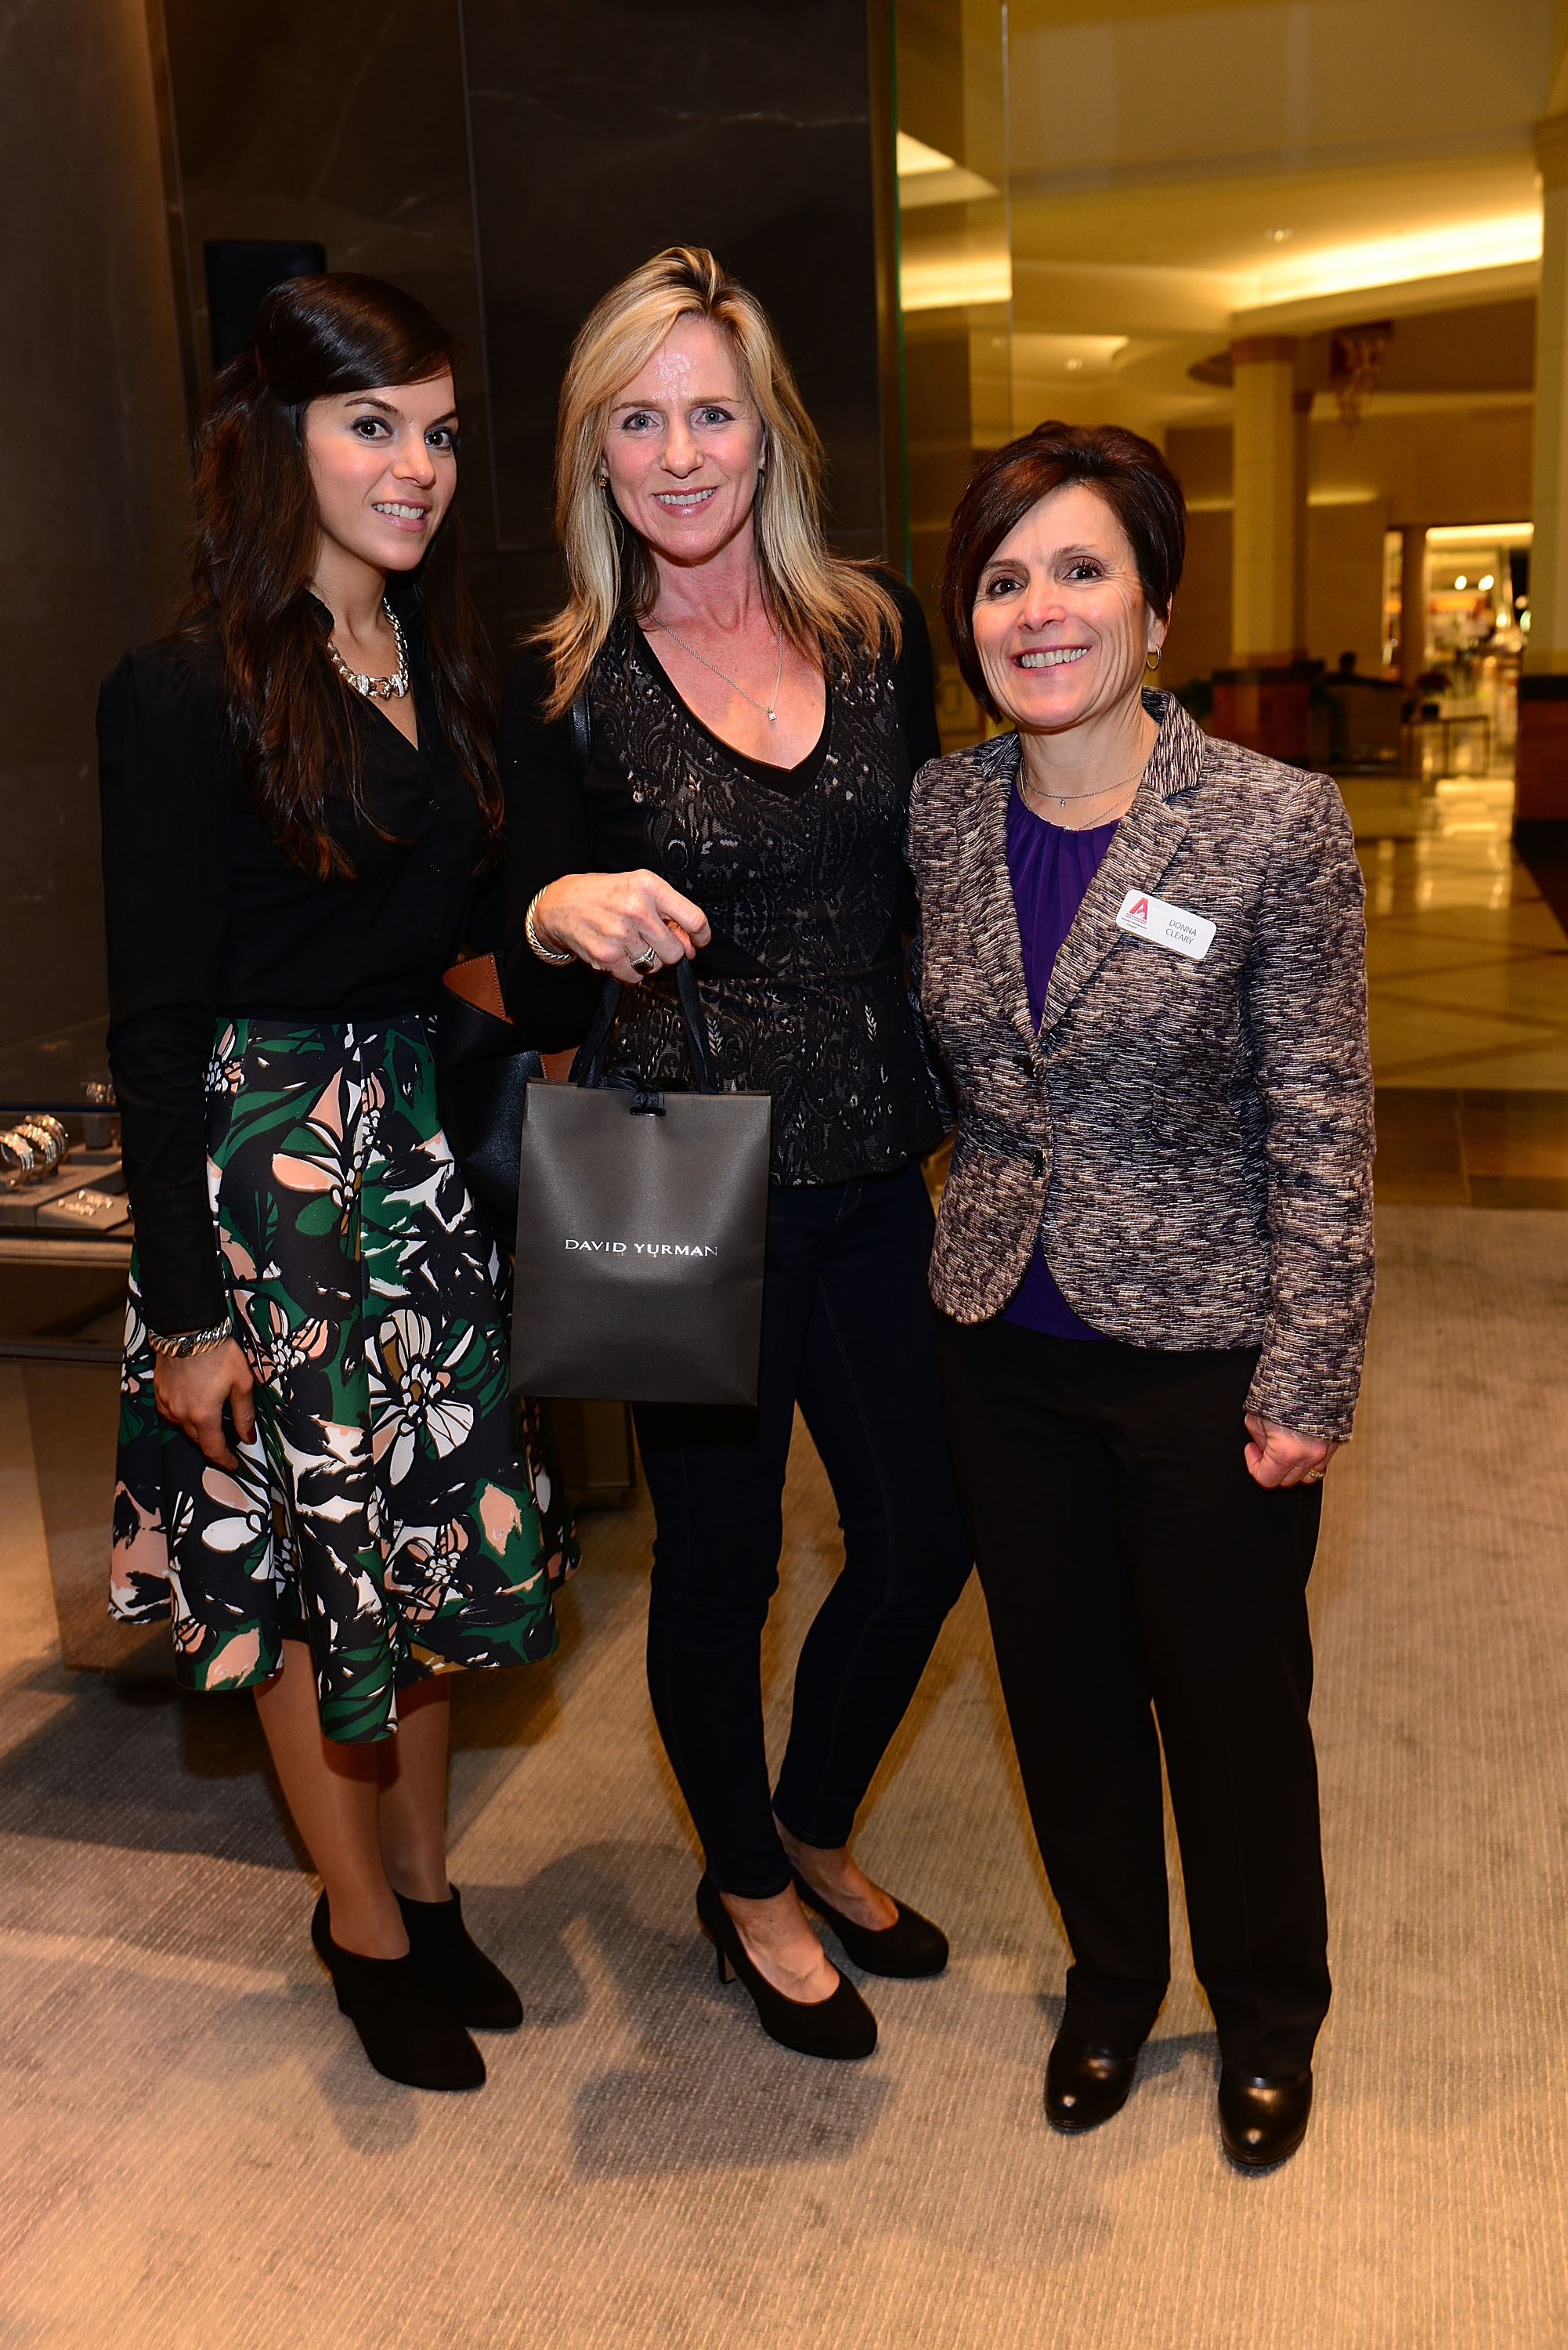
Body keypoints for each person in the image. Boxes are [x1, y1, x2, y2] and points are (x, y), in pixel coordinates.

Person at [100, 273, 576, 2094]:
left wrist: (558, 913)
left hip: (414, 1163)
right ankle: (358, 1924)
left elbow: (471, 939)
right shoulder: (177, 688)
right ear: (278, 436)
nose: (418, 465)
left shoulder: (446, 674)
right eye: (372, 423)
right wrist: (191, 1313)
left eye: (441, 431)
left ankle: (432, 1889)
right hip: (257, 1176)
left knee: (440, 1550)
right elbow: (153, 1024)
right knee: (313, 1582)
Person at [502, 246, 972, 2060]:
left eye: (711, 410)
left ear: (765, 433)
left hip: (869, 1167)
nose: (681, 452)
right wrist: (556, 903)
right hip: (668, 1179)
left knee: (922, 1539)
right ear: (595, 455)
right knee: (715, 1570)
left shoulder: (867, 634)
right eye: (640, 417)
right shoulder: (563, 678)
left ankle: (814, 1817)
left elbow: (930, 879)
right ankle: (746, 1886)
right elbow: (490, 916)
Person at [908, 421, 1373, 2169]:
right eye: (1004, 577)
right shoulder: (941, 813)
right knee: (1063, 1690)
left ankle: (1266, 2014)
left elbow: (1322, 1119)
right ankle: (1111, 1985)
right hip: (997, 1343)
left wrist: (1308, 1370)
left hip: (1205, 1355)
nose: (1037, 608)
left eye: (1079, 568)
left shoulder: (1268, 823)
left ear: (1153, 611)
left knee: (1230, 1706)